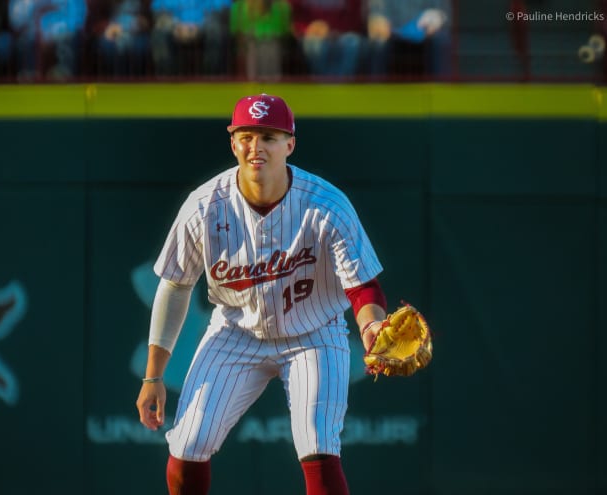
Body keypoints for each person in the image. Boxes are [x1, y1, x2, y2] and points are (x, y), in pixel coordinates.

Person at [136, 93, 390, 495]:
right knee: (188, 444)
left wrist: (372, 325)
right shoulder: (204, 206)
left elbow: (362, 285)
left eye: (269, 137)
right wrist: (154, 375)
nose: (257, 147)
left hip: (315, 333)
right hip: (236, 333)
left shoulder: (326, 204)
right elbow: (175, 285)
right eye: (248, 136)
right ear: (233, 141)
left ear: (290, 144)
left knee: (317, 443)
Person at [364, 0, 451, 78]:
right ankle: (376, 89)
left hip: (426, 33)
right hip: (391, 33)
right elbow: (376, 12)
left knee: (441, 40)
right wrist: (377, 19)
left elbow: (444, 15)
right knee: (379, 43)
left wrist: (438, 21)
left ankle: (441, 88)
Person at [150, 0, 232, 76]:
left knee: (214, 30)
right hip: (174, 26)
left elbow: (222, 10)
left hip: (205, 25)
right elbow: (158, 11)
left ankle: (210, 80)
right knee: (159, 33)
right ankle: (166, 81)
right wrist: (175, 25)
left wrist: (198, 27)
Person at [289, 0, 366, 77]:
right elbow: (293, 17)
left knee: (352, 42)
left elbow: (355, 18)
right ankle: (320, 84)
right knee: (313, 44)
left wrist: (333, 31)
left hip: (341, 33)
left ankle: (342, 84)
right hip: (311, 34)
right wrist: (307, 28)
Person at [229, 0, 292, 80]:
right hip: (251, 42)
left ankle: (272, 82)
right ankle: (254, 81)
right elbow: (237, 31)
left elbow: (284, 31)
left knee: (270, 45)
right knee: (254, 46)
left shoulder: (281, 7)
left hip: (273, 42)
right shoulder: (240, 6)